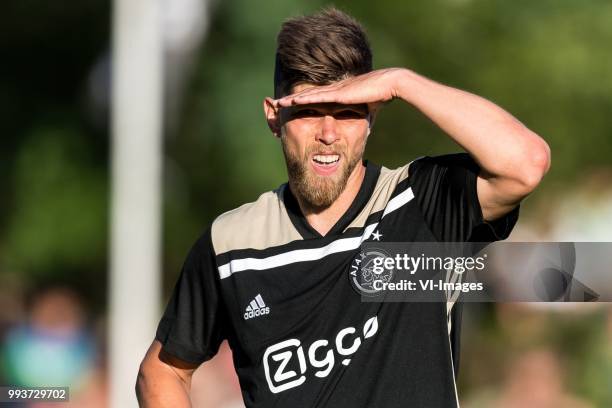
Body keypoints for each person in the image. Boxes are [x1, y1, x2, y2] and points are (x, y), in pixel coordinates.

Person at [136, 7, 550, 407]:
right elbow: (163, 371)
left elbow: (525, 163)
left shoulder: (421, 203)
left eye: (349, 111)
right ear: (274, 117)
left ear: (372, 115)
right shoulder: (231, 244)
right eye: (310, 111)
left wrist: (401, 82)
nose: (329, 133)